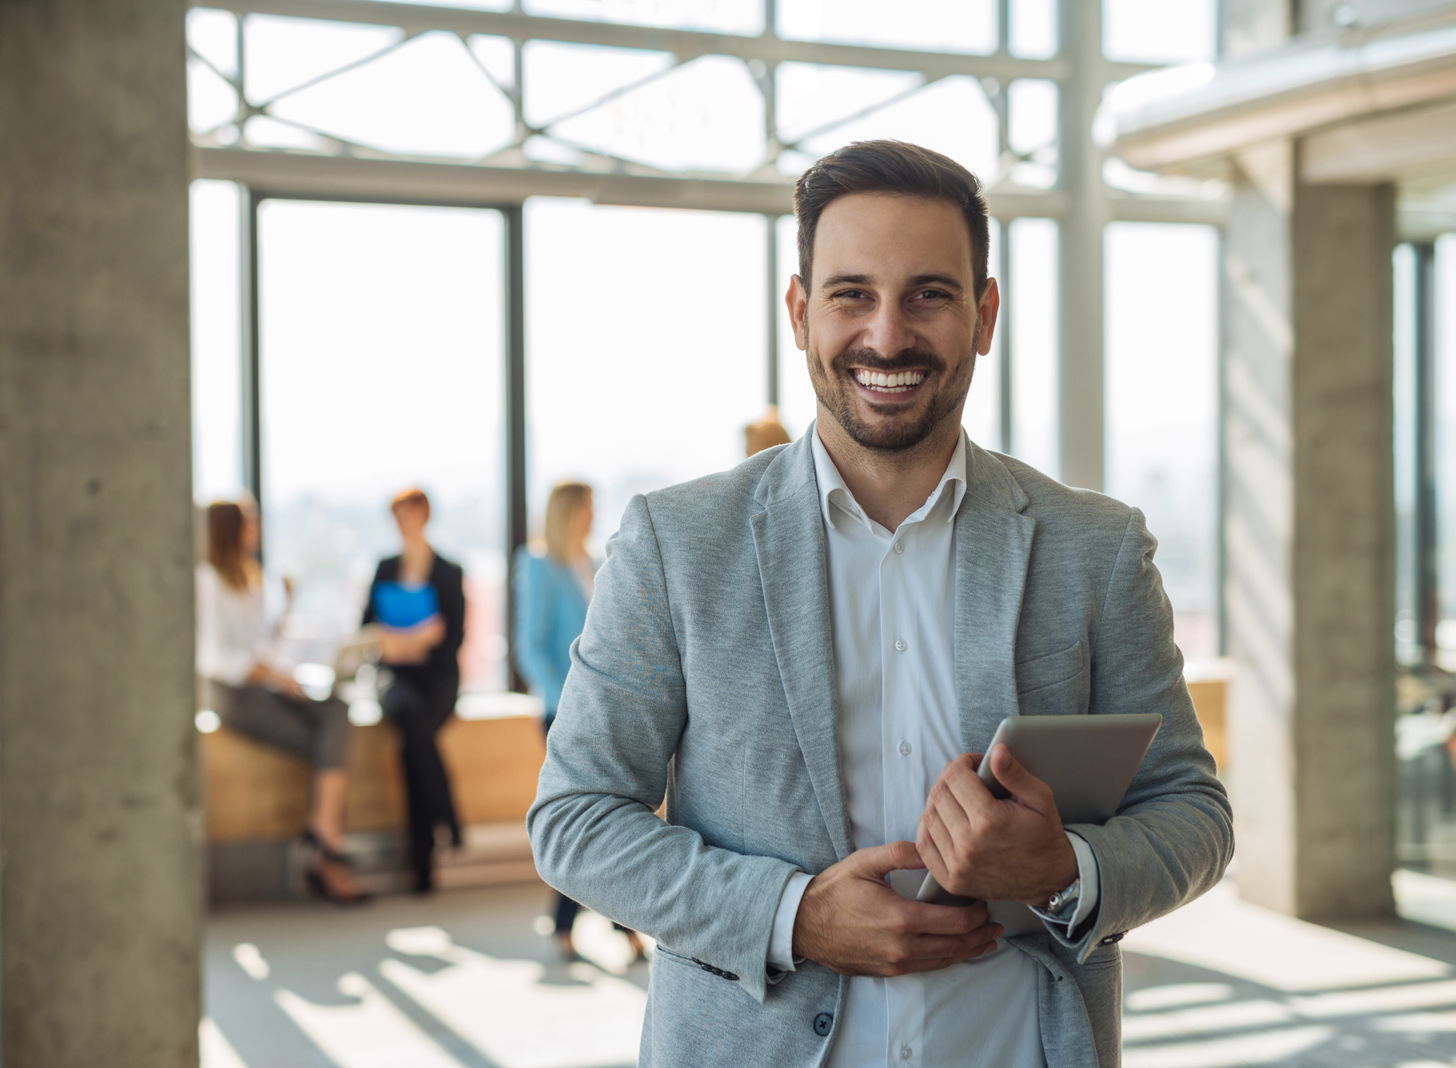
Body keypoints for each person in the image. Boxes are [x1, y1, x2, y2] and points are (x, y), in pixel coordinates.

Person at [528, 140, 1233, 1067]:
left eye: (929, 295)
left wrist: (1066, 869)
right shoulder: (676, 545)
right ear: (799, 313)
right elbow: (576, 818)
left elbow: (1192, 813)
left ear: (985, 315)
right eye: (851, 294)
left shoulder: (1093, 548)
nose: (888, 336)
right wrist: (792, 917)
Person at [196, 498, 367, 905]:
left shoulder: (250, 578)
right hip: (231, 694)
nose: (256, 530)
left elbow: (262, 647)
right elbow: (216, 658)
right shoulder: (207, 580)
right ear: (231, 529)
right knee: (329, 748)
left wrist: (287, 608)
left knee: (336, 710)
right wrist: (276, 677)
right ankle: (328, 848)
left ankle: (322, 833)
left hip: (262, 685)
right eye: (250, 522)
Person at [513, 481, 647, 964]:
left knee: (606, 813)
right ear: (567, 512)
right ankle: (603, 927)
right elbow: (530, 645)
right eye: (586, 508)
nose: (592, 516)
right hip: (563, 709)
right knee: (587, 813)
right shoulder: (538, 564)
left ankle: (584, 926)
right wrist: (564, 701)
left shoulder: (592, 561)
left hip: (606, 705)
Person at [363, 487, 464, 894]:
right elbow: (367, 628)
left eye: (409, 513)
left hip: (437, 679)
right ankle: (447, 817)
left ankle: (421, 863)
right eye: (397, 515)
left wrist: (410, 641)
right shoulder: (385, 567)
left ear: (425, 515)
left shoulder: (449, 570)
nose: (403, 522)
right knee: (411, 722)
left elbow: (452, 636)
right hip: (395, 678)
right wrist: (414, 639)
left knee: (414, 742)